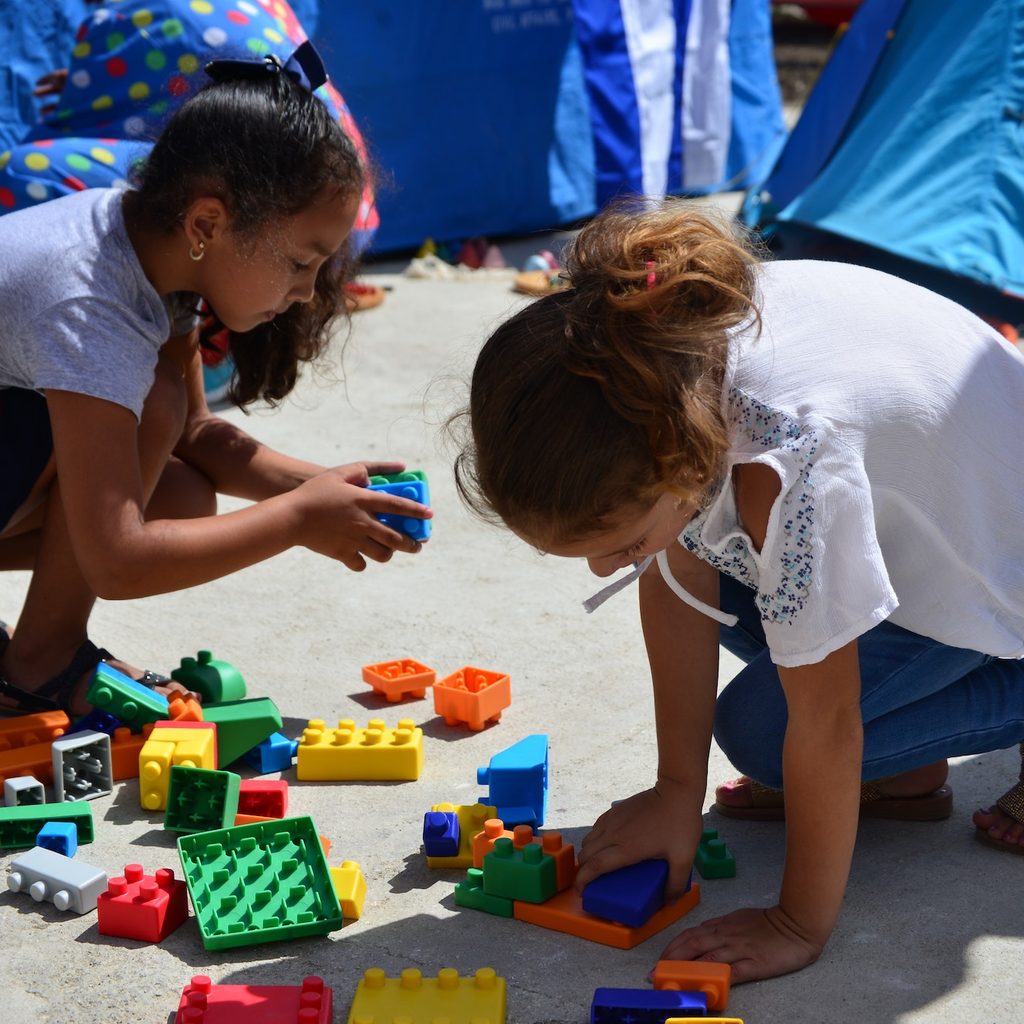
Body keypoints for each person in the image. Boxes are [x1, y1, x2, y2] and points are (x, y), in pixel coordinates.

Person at [451, 199, 1024, 983]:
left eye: (614, 544)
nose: (601, 570)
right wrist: (675, 791)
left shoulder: (785, 470)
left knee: (768, 736)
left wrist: (796, 922)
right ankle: (906, 773)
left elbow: (826, 721)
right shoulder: (669, 356)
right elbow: (678, 576)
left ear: (681, 469)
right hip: (953, 524)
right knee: (710, 573)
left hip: (1002, 575)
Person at [0, 42, 430, 718]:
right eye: (299, 261)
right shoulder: (91, 304)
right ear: (208, 222)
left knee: (179, 492)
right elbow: (115, 561)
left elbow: (197, 434)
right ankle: (37, 666)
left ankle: (38, 652)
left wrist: (330, 491)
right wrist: (296, 519)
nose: (305, 292)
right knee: (156, 414)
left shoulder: (152, 247)